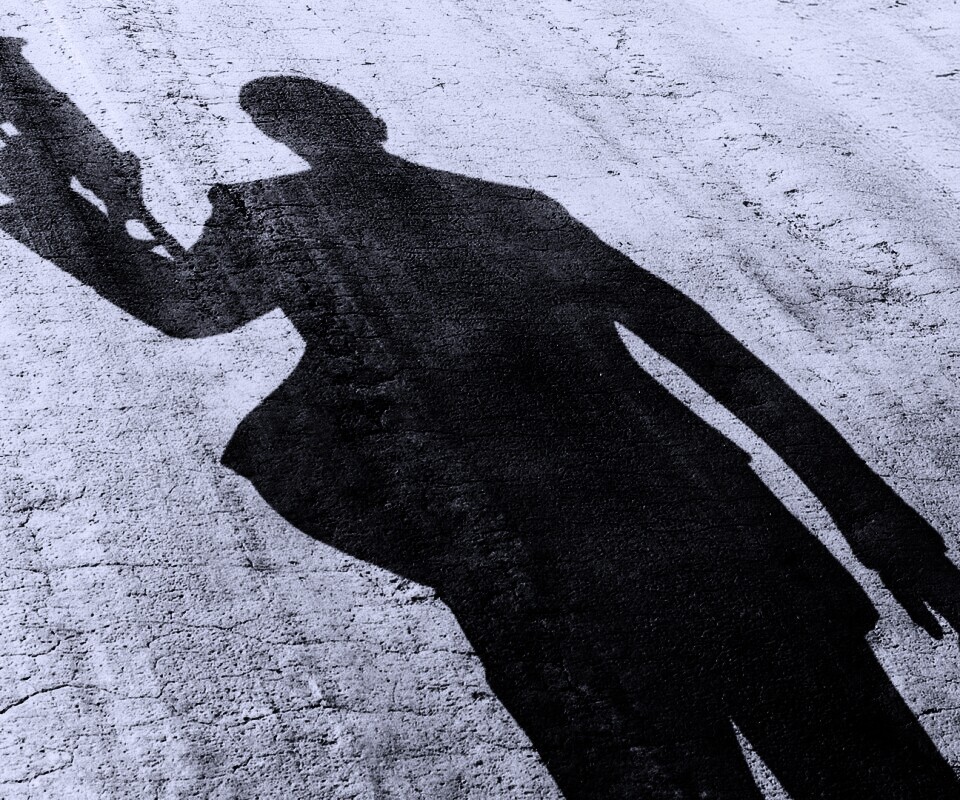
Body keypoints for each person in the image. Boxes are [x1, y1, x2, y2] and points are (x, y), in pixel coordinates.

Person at [3, 71, 960, 798]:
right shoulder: (507, 208)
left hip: (534, 569)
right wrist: (874, 519)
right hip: (711, 533)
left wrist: (47, 203)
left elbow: (183, 308)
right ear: (370, 123)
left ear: (287, 138)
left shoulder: (270, 214)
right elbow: (721, 362)